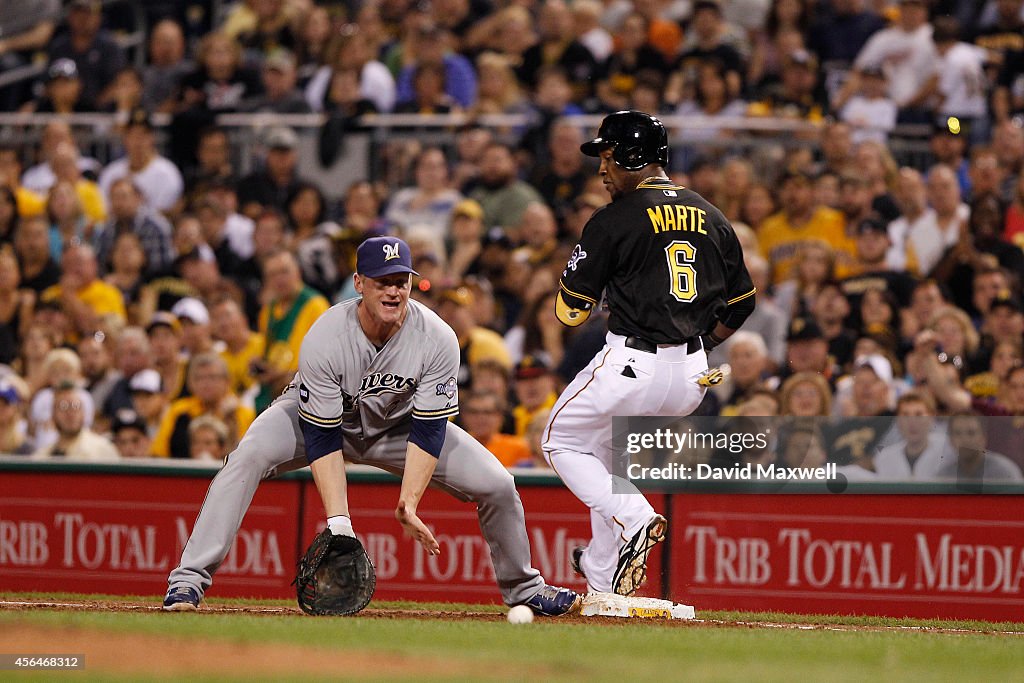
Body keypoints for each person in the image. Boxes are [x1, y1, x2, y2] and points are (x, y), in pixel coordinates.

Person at [163, 236, 580, 617]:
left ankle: (525, 587)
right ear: (359, 283)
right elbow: (322, 437)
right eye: (382, 281)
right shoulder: (326, 335)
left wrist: (409, 502)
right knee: (247, 457)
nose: (394, 290)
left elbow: (430, 428)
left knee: (498, 484)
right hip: (319, 422)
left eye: (401, 280)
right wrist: (339, 521)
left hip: (400, 427)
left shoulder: (437, 338)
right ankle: (187, 582)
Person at [544, 111, 756, 596]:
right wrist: (701, 341)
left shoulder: (613, 218)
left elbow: (569, 313)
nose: (602, 169)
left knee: (559, 442)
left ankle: (635, 516)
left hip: (630, 363)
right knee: (605, 456)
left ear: (635, 156)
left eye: (609, 156)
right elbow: (743, 301)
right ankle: (602, 573)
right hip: (692, 375)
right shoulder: (712, 214)